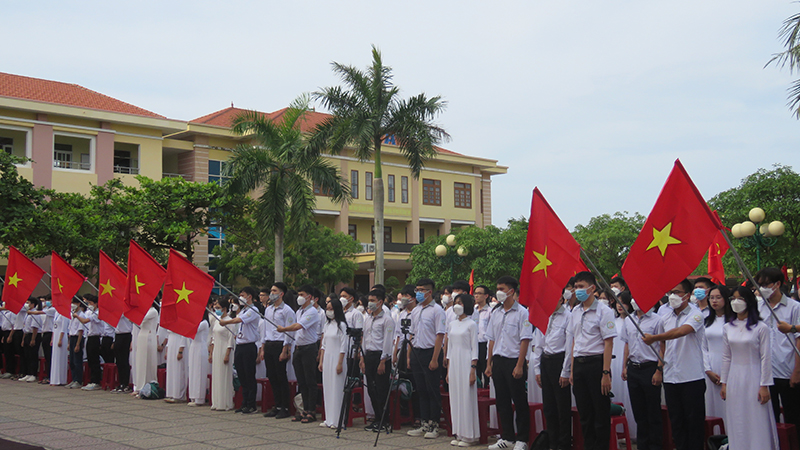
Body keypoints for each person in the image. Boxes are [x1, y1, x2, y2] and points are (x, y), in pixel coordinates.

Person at [643, 279, 706, 450]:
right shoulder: (665, 317)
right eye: (671, 292)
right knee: (676, 422)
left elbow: (681, 332)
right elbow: (663, 346)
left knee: (693, 423)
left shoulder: (696, 314)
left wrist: (654, 338)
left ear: (687, 295)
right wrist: (659, 369)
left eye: (677, 292)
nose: (673, 296)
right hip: (671, 376)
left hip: (691, 376)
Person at [720, 286, 779, 449]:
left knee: (755, 416)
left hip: (754, 376)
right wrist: (724, 382)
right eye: (732, 299)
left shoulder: (761, 327)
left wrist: (764, 385)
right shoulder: (727, 327)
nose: (735, 302)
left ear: (749, 302)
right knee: (737, 416)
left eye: (740, 299)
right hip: (734, 377)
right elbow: (726, 356)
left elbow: (765, 357)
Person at [568, 271, 615, 450]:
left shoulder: (604, 311)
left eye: (581, 287)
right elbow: (574, 341)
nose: (577, 290)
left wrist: (605, 372)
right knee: (585, 414)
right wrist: (572, 370)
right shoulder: (575, 311)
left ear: (592, 288)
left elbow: (608, 343)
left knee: (600, 414)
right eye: (576, 287)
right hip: (579, 364)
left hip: (596, 364)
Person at [485, 276, 534, 450]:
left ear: (512, 291)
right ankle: (507, 437)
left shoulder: (522, 312)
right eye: (497, 288)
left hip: (514, 360)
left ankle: (522, 439)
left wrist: (520, 365)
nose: (499, 292)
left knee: (519, 400)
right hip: (498, 360)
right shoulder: (495, 312)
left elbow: (525, 340)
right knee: (502, 401)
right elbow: (491, 339)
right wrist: (489, 363)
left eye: (502, 288)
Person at [756, 267, 800, 430]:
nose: (762, 288)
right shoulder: (759, 308)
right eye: (760, 285)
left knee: (793, 417)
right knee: (769, 419)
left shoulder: (794, 307)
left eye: (766, 284)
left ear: (777, 284)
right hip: (766, 373)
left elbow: (798, 339)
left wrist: (797, 371)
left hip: (788, 370)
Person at [619, 291, 663, 450]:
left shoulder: (657, 320)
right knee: (639, 412)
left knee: (653, 411)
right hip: (633, 368)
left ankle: (656, 445)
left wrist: (659, 370)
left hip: (650, 368)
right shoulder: (629, 320)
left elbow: (662, 346)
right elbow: (627, 344)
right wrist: (624, 366)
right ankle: (643, 445)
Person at [533, 286, 573, 450]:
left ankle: (564, 444)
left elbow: (569, 346)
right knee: (549, 407)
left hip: (560, 361)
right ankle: (553, 442)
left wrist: (565, 371)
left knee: (562, 407)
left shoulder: (568, 317)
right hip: (546, 361)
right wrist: (537, 369)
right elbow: (539, 343)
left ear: (561, 299)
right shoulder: (545, 316)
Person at [406, 278, 447, 439]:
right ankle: (424, 423)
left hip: (431, 352)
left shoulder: (437, 310)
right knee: (421, 390)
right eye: (417, 290)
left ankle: (434, 424)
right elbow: (411, 334)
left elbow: (440, 335)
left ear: (429, 292)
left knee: (432, 390)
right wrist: (409, 356)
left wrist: (435, 358)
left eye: (421, 290)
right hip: (417, 352)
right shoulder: (415, 310)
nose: (418, 293)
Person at [278, 284, 321, 423]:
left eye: (302, 294)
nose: (299, 297)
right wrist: (287, 346)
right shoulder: (299, 312)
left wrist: (283, 328)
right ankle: (303, 410)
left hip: (309, 348)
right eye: (299, 294)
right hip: (299, 348)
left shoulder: (312, 312)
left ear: (309, 297)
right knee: (301, 381)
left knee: (310, 381)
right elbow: (294, 330)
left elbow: (298, 326)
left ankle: (311, 411)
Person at [219, 287, 260, 414]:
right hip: (240, 345)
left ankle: (251, 404)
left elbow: (239, 320)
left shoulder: (253, 310)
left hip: (249, 346)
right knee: (241, 375)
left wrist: (226, 322)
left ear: (250, 297)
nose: (241, 297)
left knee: (249, 375)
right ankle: (244, 402)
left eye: (243, 295)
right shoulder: (243, 311)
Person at [446, 293, 480, 447]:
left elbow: (475, 348)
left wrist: (473, 369)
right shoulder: (452, 324)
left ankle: (470, 435)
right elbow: (450, 347)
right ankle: (459, 432)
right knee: (455, 397)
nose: (457, 305)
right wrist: (448, 369)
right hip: (454, 363)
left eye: (460, 302)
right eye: (455, 302)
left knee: (466, 397)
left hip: (466, 361)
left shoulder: (471, 324)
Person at [361, 289, 396, 432]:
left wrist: (383, 360)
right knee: (371, 389)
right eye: (369, 300)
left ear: (380, 302)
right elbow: (364, 338)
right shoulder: (368, 318)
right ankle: (376, 418)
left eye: (373, 300)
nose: (370, 303)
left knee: (381, 389)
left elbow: (388, 342)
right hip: (369, 355)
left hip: (380, 356)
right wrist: (362, 358)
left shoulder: (387, 319)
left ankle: (384, 420)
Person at [260, 282, 295, 419]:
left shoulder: (287, 310)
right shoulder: (268, 309)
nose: (271, 293)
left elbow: (290, 330)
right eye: (271, 290)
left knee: (281, 376)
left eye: (274, 291)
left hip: (280, 344)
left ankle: (285, 407)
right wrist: (263, 348)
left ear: (281, 294)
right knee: (272, 376)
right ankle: (277, 405)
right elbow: (265, 329)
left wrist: (285, 349)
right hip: (269, 343)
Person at [702, 285, 731, 421]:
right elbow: (703, 347)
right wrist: (708, 370)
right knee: (712, 405)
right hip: (711, 368)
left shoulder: (733, 322)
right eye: (712, 298)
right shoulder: (706, 322)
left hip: (730, 366)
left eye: (718, 297)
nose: (714, 301)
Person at [318, 294, 348, 429]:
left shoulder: (342, 325)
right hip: (327, 359)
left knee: (337, 389)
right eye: (327, 308)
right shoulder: (327, 324)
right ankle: (329, 418)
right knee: (328, 388)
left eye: (331, 309)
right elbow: (323, 344)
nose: (328, 311)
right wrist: (321, 361)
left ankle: (337, 420)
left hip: (337, 358)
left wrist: (340, 363)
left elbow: (343, 346)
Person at [209, 296, 237, 411]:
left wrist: (227, 354)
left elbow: (231, 339)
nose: (216, 309)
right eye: (215, 307)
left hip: (225, 349)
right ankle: (216, 401)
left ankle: (225, 402)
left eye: (219, 307)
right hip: (216, 349)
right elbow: (214, 337)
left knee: (224, 375)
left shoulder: (230, 321)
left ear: (225, 308)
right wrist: (211, 352)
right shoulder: (217, 320)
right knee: (216, 374)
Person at [76, 294, 103, 391]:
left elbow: (84, 321)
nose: (89, 305)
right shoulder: (91, 312)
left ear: (96, 304)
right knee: (90, 360)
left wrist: (77, 316)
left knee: (95, 360)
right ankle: (92, 380)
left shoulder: (97, 313)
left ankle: (96, 381)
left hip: (96, 338)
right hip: (90, 337)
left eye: (91, 303)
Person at [133, 301, 159, 396]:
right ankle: (139, 386)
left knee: (148, 362)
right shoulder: (146, 311)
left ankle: (148, 385)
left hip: (149, 337)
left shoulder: (153, 311)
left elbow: (140, 318)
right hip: (142, 335)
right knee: (140, 362)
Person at [187, 309, 210, 406]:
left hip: (201, 347)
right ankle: (193, 396)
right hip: (194, 346)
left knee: (199, 371)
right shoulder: (198, 322)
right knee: (193, 371)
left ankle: (199, 398)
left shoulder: (204, 323)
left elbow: (193, 329)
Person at [472, 285, 493, 389]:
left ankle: (486, 390)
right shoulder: (472, 310)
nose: (476, 295)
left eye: (479, 293)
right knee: (476, 371)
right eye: (475, 293)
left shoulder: (490, 311)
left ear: (486, 296)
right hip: (474, 344)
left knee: (485, 370)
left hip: (485, 344)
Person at [20, 297, 42, 382]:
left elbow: (35, 328)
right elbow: (25, 327)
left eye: (28, 302)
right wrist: (23, 339)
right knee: (27, 355)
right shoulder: (27, 313)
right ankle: (28, 373)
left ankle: (33, 374)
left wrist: (33, 339)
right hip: (27, 334)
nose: (26, 304)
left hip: (34, 335)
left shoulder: (35, 313)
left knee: (33, 355)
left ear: (33, 304)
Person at [112, 312, 134, 393]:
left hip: (126, 335)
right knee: (119, 361)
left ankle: (125, 383)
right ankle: (121, 382)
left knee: (124, 360)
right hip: (118, 334)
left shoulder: (126, 311)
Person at [67, 298, 87, 389]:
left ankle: (78, 380)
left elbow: (80, 331)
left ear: (79, 303)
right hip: (72, 337)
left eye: (74, 303)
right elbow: (70, 329)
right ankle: (74, 379)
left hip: (77, 338)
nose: (72, 304)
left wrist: (78, 344)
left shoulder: (81, 315)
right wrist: (69, 343)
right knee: (71, 360)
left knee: (77, 360)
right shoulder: (72, 314)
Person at [164, 329, 188, 403]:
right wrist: (167, 350)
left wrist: (181, 350)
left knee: (178, 369)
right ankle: (171, 393)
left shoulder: (181, 320)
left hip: (178, 344)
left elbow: (184, 336)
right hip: (171, 345)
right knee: (171, 369)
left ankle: (179, 395)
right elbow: (168, 336)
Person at [50, 308, 70, 386]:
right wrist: (52, 339)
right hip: (55, 335)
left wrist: (60, 339)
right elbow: (53, 327)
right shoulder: (56, 313)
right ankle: (54, 379)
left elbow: (64, 328)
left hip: (62, 336)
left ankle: (61, 379)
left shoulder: (65, 314)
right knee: (55, 357)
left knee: (60, 357)